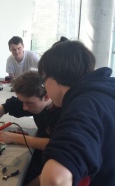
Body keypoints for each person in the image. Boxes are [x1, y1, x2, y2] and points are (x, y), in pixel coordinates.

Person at [38, 40, 115, 186]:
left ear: (53, 77)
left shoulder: (84, 106)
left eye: (43, 81)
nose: (45, 88)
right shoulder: (105, 93)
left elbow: (56, 178)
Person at [0, 70, 61, 185]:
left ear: (46, 97)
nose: (24, 108)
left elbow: (57, 145)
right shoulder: (32, 100)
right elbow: (5, 107)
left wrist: (16, 138)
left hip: (55, 161)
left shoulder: (63, 112)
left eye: (28, 103)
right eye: (22, 102)